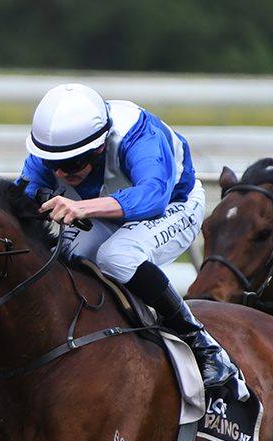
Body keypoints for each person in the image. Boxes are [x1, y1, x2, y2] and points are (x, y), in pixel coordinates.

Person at [21, 82, 242, 393]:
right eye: (52, 163)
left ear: (99, 147)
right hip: (104, 208)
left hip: (174, 204)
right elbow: (24, 194)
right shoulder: (55, 151)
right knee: (67, 262)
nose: (60, 174)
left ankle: (203, 345)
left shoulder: (137, 135)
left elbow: (152, 198)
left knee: (117, 257)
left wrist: (80, 207)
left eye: (71, 164)